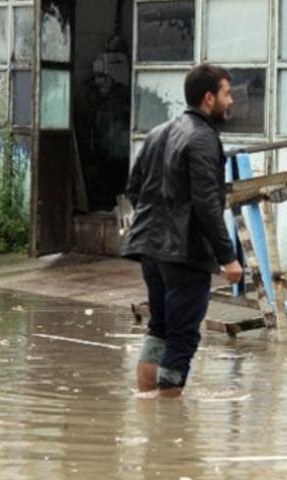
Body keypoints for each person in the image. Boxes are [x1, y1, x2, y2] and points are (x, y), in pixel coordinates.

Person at [122, 64, 243, 398]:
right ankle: (167, 417)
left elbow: (135, 189)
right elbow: (207, 203)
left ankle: (146, 403)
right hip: (184, 255)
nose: (230, 101)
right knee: (183, 337)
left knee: (158, 329)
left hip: (151, 250)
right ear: (209, 98)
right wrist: (228, 258)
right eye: (226, 93)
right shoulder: (203, 138)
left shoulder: (158, 132)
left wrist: (162, 216)